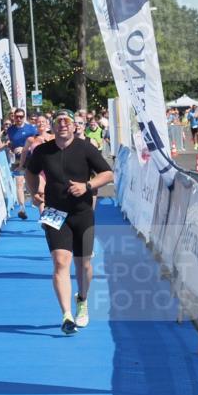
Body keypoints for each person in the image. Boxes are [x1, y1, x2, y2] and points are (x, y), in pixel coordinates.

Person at [24, 109, 114, 335]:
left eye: (67, 121)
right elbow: (30, 172)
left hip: (82, 213)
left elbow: (108, 173)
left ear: (74, 126)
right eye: (58, 121)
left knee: (83, 264)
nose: (63, 124)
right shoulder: (43, 151)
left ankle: (82, 300)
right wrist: (35, 192)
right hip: (54, 212)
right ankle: (66, 315)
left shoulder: (86, 148)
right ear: (52, 127)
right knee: (60, 262)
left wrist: (88, 186)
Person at [5, 108, 38, 220]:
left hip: (30, 158)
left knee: (30, 183)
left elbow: (36, 144)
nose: (18, 119)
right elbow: (10, 143)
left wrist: (24, 149)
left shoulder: (31, 129)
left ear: (24, 117)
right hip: (17, 159)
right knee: (19, 183)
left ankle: (38, 203)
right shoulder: (10, 130)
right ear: (13, 117)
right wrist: (11, 149)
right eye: (16, 116)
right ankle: (22, 208)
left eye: (21, 117)